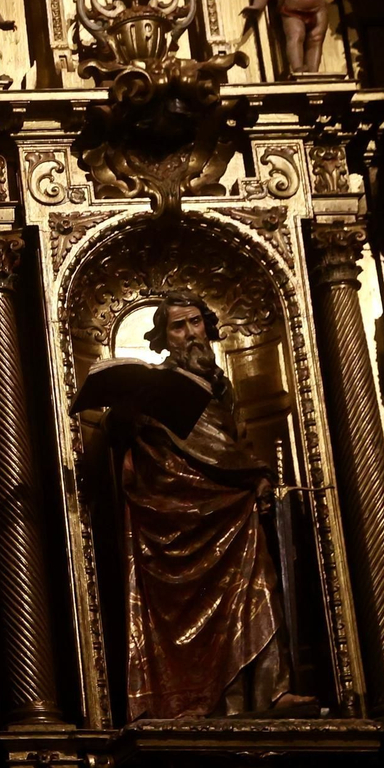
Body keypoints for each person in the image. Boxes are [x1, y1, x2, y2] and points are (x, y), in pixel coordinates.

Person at [107, 292, 316, 719]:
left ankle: (269, 693)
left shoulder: (221, 384)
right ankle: (198, 699)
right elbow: (146, 457)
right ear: (163, 338)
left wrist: (254, 475)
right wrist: (133, 416)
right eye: (178, 327)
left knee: (257, 589)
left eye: (195, 322)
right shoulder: (152, 386)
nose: (189, 334)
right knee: (186, 616)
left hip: (231, 508)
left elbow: (232, 443)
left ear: (208, 326)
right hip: (176, 512)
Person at [242, 0, 338, 75]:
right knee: (295, 36)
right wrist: (257, 6)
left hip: (318, 9)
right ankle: (298, 68)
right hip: (291, 12)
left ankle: (313, 72)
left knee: (316, 39)